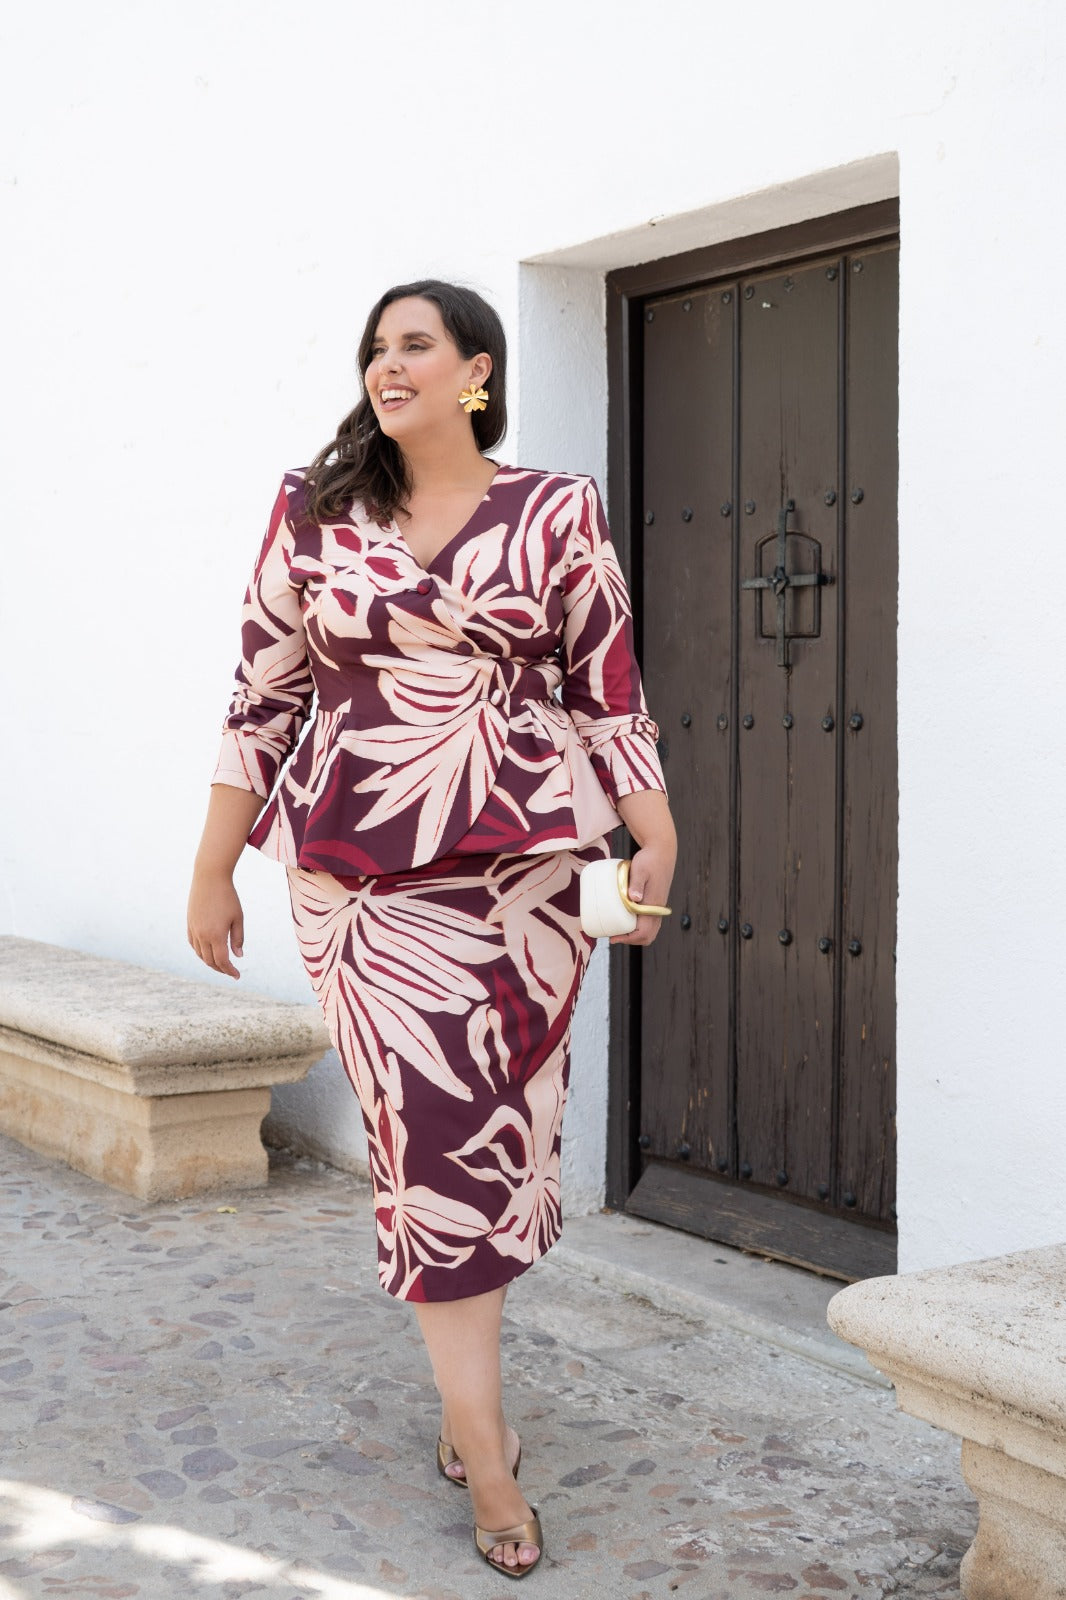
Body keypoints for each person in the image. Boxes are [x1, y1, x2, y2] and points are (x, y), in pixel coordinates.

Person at [187, 279, 677, 1579]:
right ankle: (486, 1448)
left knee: (496, 1144)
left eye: (416, 344)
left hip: (524, 878)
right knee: (426, 1144)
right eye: (375, 348)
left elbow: (606, 685)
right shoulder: (314, 508)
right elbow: (262, 695)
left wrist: (655, 831)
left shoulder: (556, 509)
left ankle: (470, 1399)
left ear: (476, 370)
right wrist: (212, 867)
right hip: (361, 882)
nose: (386, 364)